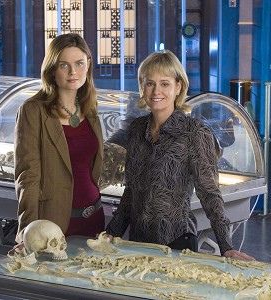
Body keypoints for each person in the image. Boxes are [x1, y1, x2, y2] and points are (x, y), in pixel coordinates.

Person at [105, 50, 253, 261]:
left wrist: (225, 246)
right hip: (137, 244)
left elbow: (209, 194)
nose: (156, 90)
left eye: (165, 83)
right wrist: (112, 233)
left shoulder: (195, 133)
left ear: (178, 87)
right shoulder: (136, 130)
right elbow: (132, 191)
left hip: (177, 243)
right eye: (149, 83)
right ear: (142, 88)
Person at [14, 33, 104, 244]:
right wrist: (27, 231)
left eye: (79, 63)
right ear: (52, 69)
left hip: (94, 219)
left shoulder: (90, 109)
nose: (73, 72)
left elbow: (91, 167)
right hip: (53, 224)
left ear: (88, 65)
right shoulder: (33, 111)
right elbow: (28, 176)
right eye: (64, 65)